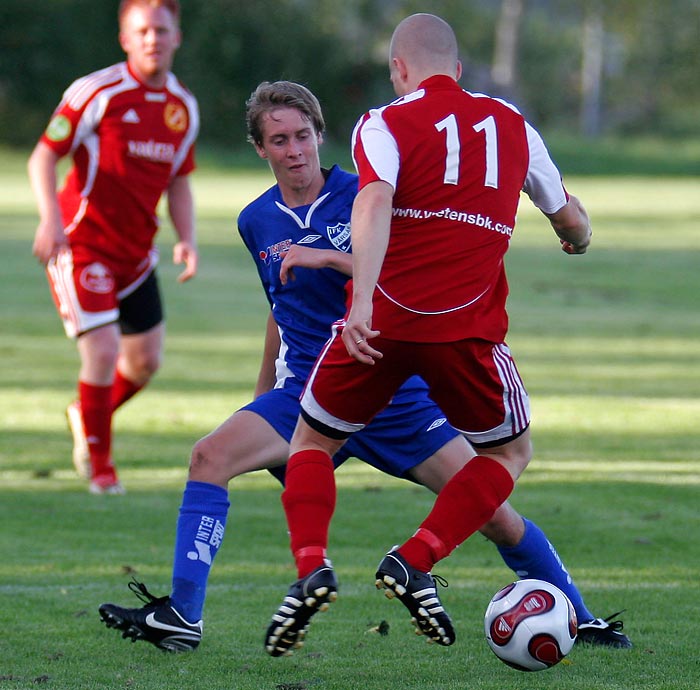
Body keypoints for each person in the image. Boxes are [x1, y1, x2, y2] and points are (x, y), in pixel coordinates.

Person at [97, 81, 629, 653]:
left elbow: (409, 266)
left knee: (494, 512)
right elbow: (279, 309)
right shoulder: (257, 220)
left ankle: (580, 615)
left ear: (321, 136)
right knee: (208, 456)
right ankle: (183, 615)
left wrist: (330, 257)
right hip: (306, 391)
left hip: (395, 394)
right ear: (261, 148)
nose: (295, 150)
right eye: (279, 140)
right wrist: (259, 397)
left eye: (303, 136)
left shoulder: (371, 191)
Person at [263, 13, 622, 657]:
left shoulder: (383, 122)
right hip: (467, 330)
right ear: (457, 69)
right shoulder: (513, 124)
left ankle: (312, 564)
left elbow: (372, 200)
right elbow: (569, 217)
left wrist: (365, 302)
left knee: (311, 441)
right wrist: (579, 238)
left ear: (399, 70)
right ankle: (416, 556)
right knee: (508, 455)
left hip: (385, 321)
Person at [27, 0, 199, 494]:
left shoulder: (182, 107)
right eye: (142, 30)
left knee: (145, 362)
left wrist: (186, 237)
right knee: (101, 350)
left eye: (161, 30)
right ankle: (101, 470)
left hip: (137, 255)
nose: (153, 39)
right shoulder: (96, 91)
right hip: (82, 245)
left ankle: (86, 412)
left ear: (176, 37)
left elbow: (180, 181)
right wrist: (50, 221)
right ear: (125, 39)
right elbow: (43, 157)